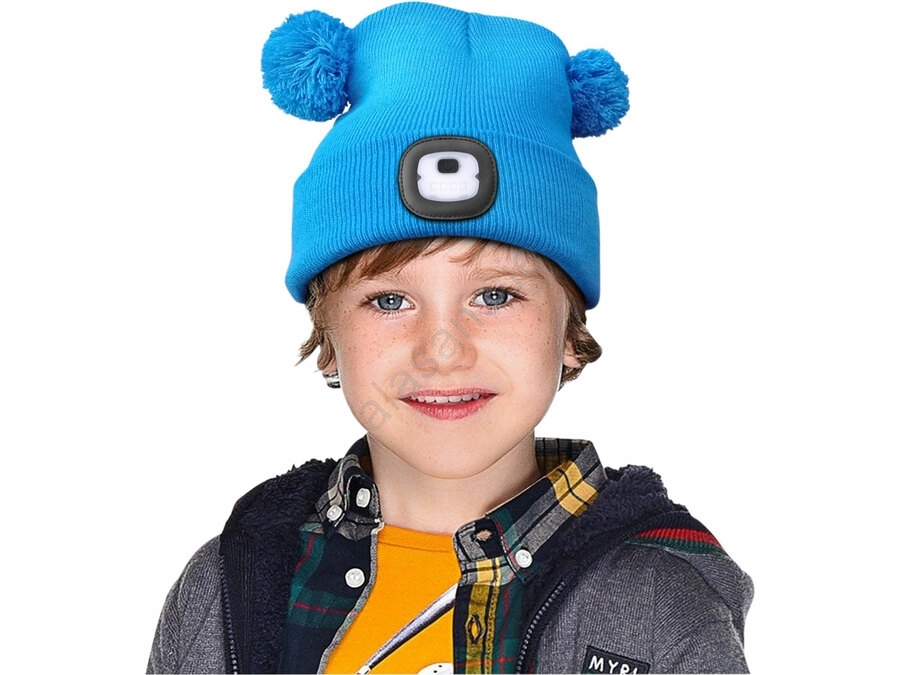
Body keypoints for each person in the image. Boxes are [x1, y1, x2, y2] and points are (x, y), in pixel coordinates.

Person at [147, 2, 753, 673]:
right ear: (328, 335)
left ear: (569, 333)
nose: (442, 348)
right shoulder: (227, 586)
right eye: (389, 300)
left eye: (495, 296)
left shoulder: (657, 608)